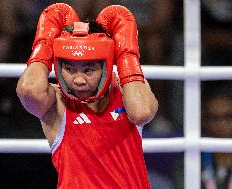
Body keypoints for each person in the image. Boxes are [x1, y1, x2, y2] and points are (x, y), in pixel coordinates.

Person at [17, 3, 158, 188]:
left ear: (106, 65)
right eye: (69, 69)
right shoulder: (56, 103)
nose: (79, 80)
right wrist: (44, 45)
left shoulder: (126, 91)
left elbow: (142, 113)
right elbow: (28, 90)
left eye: (88, 70)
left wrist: (126, 55)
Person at [201, 82, 232, 189]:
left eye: (228, 117)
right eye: (215, 118)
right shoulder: (189, 161)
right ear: (204, 121)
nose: (222, 124)